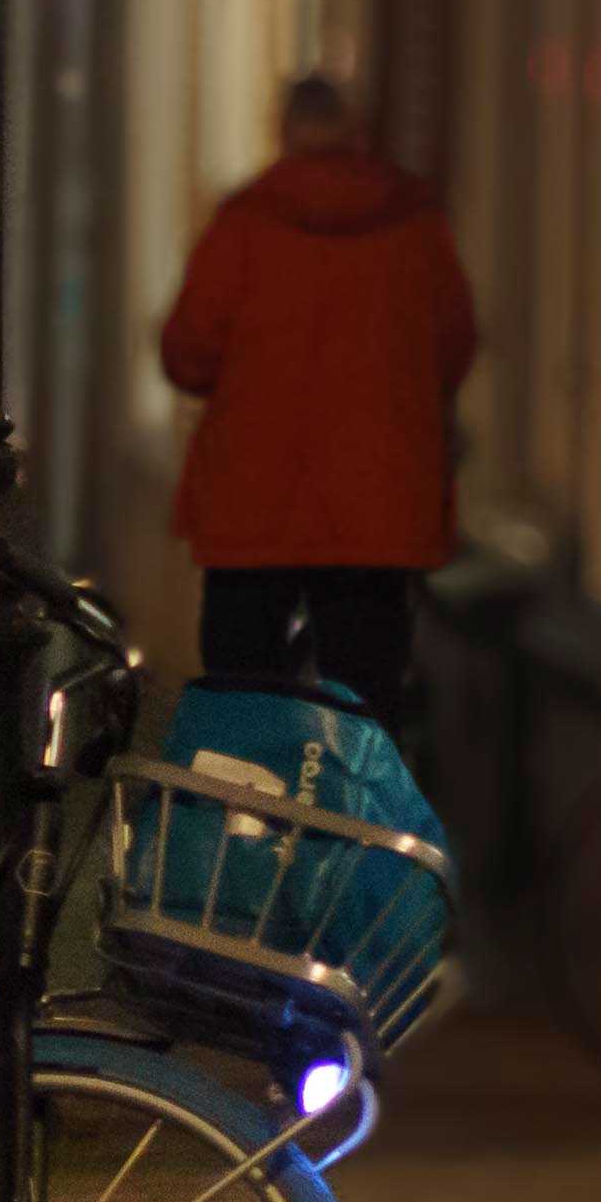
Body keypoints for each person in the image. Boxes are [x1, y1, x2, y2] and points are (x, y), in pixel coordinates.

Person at [155, 73, 476, 734]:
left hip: (253, 510)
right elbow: (454, 348)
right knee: (363, 712)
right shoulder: (414, 228)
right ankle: (348, 829)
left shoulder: (245, 225)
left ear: (286, 132)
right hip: (376, 516)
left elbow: (188, 353)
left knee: (242, 711)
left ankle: (246, 827)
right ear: (355, 133)